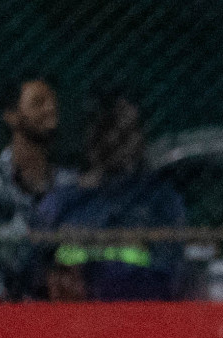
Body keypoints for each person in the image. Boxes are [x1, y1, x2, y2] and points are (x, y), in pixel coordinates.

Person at [32, 91, 185, 302]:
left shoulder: (159, 201)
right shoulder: (63, 201)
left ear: (140, 138)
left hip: (138, 312)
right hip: (73, 314)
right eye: (109, 129)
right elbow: (37, 267)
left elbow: (169, 271)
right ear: (93, 136)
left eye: (127, 132)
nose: (117, 141)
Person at [0, 77, 78, 301]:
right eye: (38, 102)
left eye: (52, 102)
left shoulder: (68, 183)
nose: (50, 108)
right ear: (11, 116)